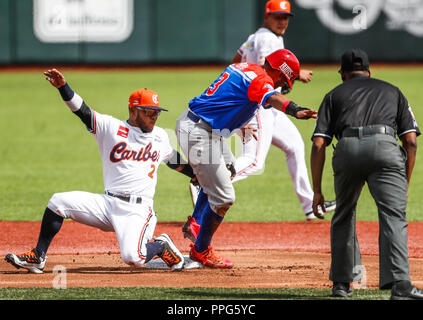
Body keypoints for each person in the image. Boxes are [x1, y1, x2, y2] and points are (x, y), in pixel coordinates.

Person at [5, 68, 196, 273]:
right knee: (58, 202)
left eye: (156, 112)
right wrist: (63, 88)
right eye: (149, 112)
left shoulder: (160, 136)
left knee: (134, 258)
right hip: (107, 204)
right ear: (133, 111)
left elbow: (173, 160)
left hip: (138, 211)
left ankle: (160, 245)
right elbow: (82, 111)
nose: (154, 116)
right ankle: (38, 256)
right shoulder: (111, 128)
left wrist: (196, 175)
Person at [186, 0, 335, 228]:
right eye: (277, 17)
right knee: (254, 161)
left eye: (285, 17)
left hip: (270, 104)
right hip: (262, 103)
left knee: (295, 145)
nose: (282, 21)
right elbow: (269, 65)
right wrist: (294, 75)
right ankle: (207, 184)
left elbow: (237, 60)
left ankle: (310, 206)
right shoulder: (267, 38)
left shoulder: (255, 36)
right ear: (266, 17)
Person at [176, 49, 317, 268]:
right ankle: (201, 250)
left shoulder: (244, 68)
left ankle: (195, 222)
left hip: (205, 127)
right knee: (224, 198)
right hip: (200, 132)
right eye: (286, 79)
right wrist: (296, 110)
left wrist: (240, 125)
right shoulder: (261, 80)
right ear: (280, 73)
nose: (285, 84)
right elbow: (273, 97)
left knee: (230, 168)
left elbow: (228, 99)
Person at [310, 49, 423, 300]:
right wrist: (404, 181)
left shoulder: (333, 95)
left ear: (342, 75)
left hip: (347, 148)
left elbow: (319, 144)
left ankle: (341, 284)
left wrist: (317, 191)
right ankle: (401, 286)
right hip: (385, 148)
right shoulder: (393, 91)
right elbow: (411, 141)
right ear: (369, 72)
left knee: (344, 213)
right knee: (393, 216)